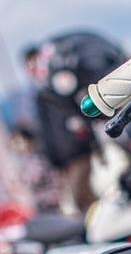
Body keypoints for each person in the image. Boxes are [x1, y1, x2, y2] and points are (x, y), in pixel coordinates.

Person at [25, 44, 98, 215]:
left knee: (81, 197)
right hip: (63, 156)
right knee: (82, 197)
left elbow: (74, 110)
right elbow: (47, 130)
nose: (32, 67)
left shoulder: (57, 80)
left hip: (76, 150)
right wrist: (53, 158)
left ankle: (102, 224)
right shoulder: (40, 91)